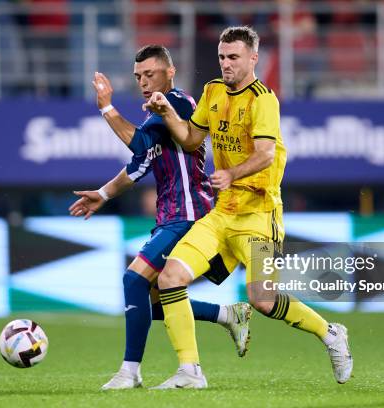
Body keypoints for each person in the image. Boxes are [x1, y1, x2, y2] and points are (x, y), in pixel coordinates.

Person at [144, 27, 353, 389]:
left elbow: (266, 154)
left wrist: (230, 174)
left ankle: (331, 333)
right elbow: (192, 137)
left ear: (253, 58)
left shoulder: (263, 100)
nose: (225, 63)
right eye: (223, 56)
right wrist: (166, 113)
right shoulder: (211, 91)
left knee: (263, 300)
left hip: (259, 216)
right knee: (169, 279)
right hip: (223, 214)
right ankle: (190, 371)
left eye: (234, 57)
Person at [68, 45, 251, 390]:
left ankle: (130, 372)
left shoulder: (179, 103)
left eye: (149, 74)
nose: (143, 82)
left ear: (171, 72)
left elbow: (137, 144)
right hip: (170, 215)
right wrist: (103, 195)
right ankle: (228, 314)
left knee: (134, 281)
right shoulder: (155, 117)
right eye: (138, 76)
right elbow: (138, 166)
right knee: (153, 302)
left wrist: (106, 107)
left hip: (190, 214)